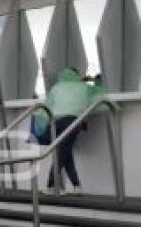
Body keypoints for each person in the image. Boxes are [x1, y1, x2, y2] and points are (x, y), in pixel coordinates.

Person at [43, 67, 105, 195]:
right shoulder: (83, 87)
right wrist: (94, 80)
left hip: (56, 123)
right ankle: (54, 185)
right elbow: (101, 92)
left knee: (65, 153)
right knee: (64, 154)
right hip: (73, 122)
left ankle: (72, 185)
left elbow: (47, 106)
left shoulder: (56, 88)